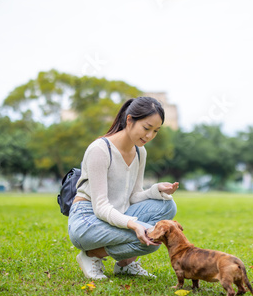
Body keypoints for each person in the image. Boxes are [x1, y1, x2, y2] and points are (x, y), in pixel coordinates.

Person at [68, 96, 179, 279]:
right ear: (129, 120)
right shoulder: (100, 150)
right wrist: (133, 224)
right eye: (146, 128)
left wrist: (156, 190)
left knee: (168, 205)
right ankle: (91, 255)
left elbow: (134, 196)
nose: (149, 136)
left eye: (156, 131)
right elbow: (101, 207)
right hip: (86, 221)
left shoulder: (139, 151)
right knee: (152, 238)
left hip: (116, 213)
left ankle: (125, 264)